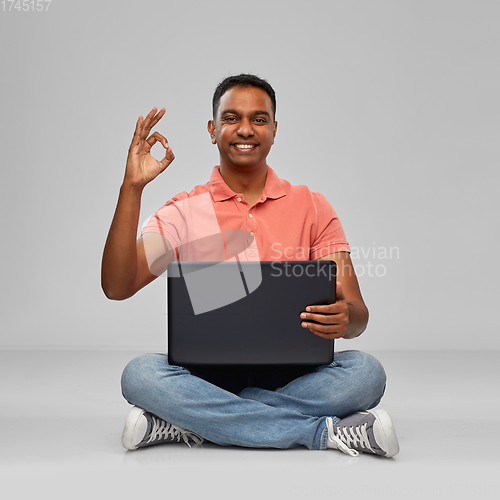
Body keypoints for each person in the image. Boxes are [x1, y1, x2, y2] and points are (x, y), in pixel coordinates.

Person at [101, 74, 399, 457]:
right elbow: (117, 285)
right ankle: (323, 434)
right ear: (212, 130)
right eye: (231, 118)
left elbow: (358, 314)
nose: (245, 129)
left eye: (259, 119)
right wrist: (132, 187)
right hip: (206, 375)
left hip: (293, 375)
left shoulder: (312, 205)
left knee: (366, 373)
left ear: (274, 130)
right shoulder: (184, 211)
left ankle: (188, 421)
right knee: (140, 375)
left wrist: (347, 318)